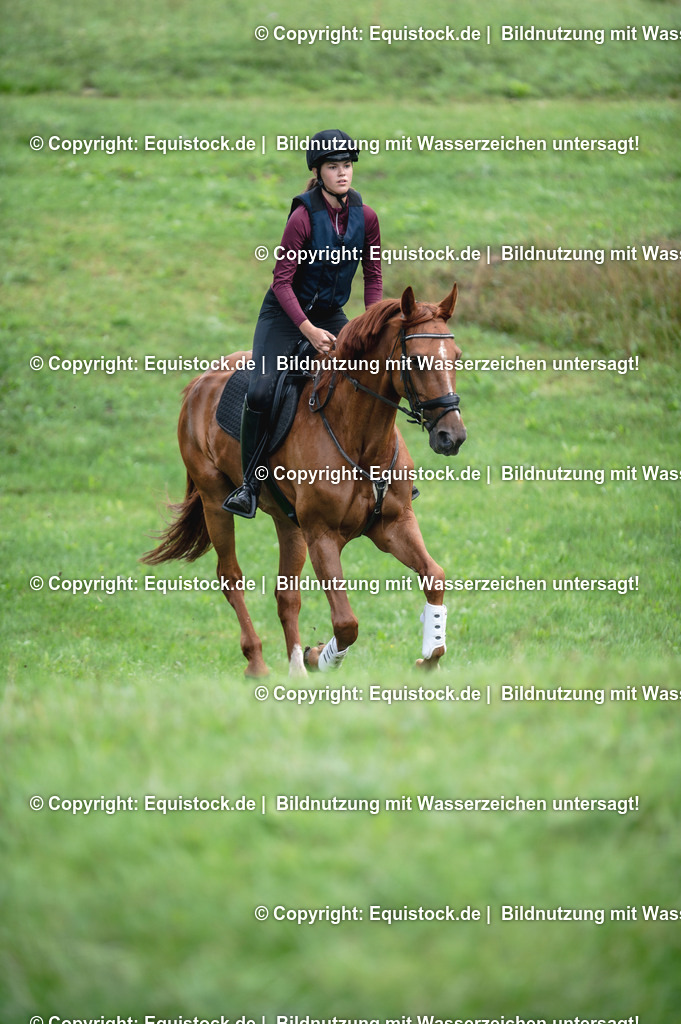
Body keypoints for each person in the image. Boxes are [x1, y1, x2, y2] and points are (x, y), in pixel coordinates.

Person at [223, 128, 383, 517]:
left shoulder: (367, 217)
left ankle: (386, 474)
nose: (343, 173)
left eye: (347, 166)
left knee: (374, 377)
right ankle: (249, 483)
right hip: (284, 315)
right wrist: (307, 330)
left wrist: (370, 326)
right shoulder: (301, 218)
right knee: (261, 392)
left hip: (330, 314)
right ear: (319, 171)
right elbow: (281, 282)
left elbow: (373, 276)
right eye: (333, 167)